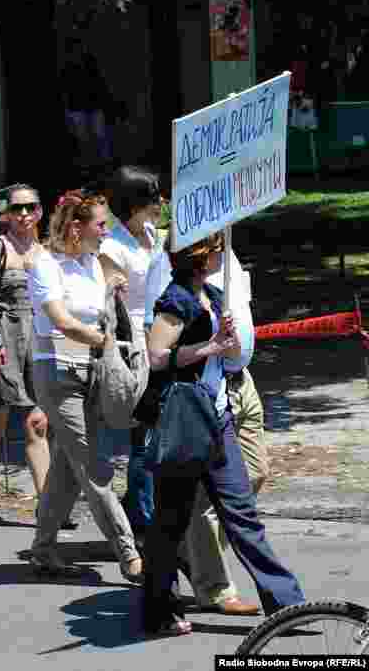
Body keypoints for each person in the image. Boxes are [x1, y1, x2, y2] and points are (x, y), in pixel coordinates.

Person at [142, 232, 305, 635]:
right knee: (171, 522)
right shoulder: (175, 299)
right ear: (199, 256)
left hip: (218, 419)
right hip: (184, 424)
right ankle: (158, 610)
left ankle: (287, 605)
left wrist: (227, 344)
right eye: (216, 249)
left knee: (242, 513)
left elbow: (221, 352)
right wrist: (210, 347)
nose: (221, 254)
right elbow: (157, 356)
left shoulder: (211, 294)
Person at [27, 189, 143, 583]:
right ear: (76, 226)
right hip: (57, 373)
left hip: (92, 371)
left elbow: (109, 283)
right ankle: (129, 553)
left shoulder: (93, 261)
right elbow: (61, 321)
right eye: (99, 223)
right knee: (94, 466)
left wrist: (115, 284)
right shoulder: (46, 264)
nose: (106, 229)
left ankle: (42, 548)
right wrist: (103, 340)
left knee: (68, 465)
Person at [0, 184, 51, 507]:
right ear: (7, 213)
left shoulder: (47, 251)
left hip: (39, 347)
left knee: (37, 424)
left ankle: (48, 507)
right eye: (17, 208)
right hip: (4, 346)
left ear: (40, 211)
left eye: (30, 207)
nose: (23, 214)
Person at [97, 166, 163, 538]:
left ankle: (134, 506)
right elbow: (111, 303)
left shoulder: (154, 234)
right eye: (152, 199)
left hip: (163, 339)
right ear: (132, 204)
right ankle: (142, 518)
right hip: (135, 348)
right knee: (145, 435)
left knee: (157, 432)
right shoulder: (113, 247)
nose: (159, 205)